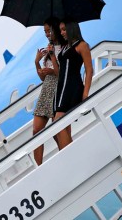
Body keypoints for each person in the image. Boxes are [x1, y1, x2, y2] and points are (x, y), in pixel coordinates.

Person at [54, 19, 93, 150]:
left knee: (58, 123)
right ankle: (71, 154)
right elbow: (60, 70)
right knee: (60, 127)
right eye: (60, 30)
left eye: (64, 29)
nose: (62, 32)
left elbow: (89, 69)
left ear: (72, 29)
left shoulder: (81, 45)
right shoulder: (65, 47)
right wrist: (52, 57)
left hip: (72, 87)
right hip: (61, 88)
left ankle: (69, 158)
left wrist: (85, 93)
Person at [33, 17, 65, 165]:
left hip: (58, 89)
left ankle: (64, 160)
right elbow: (42, 78)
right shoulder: (48, 49)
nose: (46, 34)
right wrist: (37, 62)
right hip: (46, 90)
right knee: (36, 132)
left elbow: (62, 74)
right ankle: (38, 167)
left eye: (48, 30)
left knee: (57, 132)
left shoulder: (64, 48)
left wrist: (52, 62)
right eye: (44, 31)